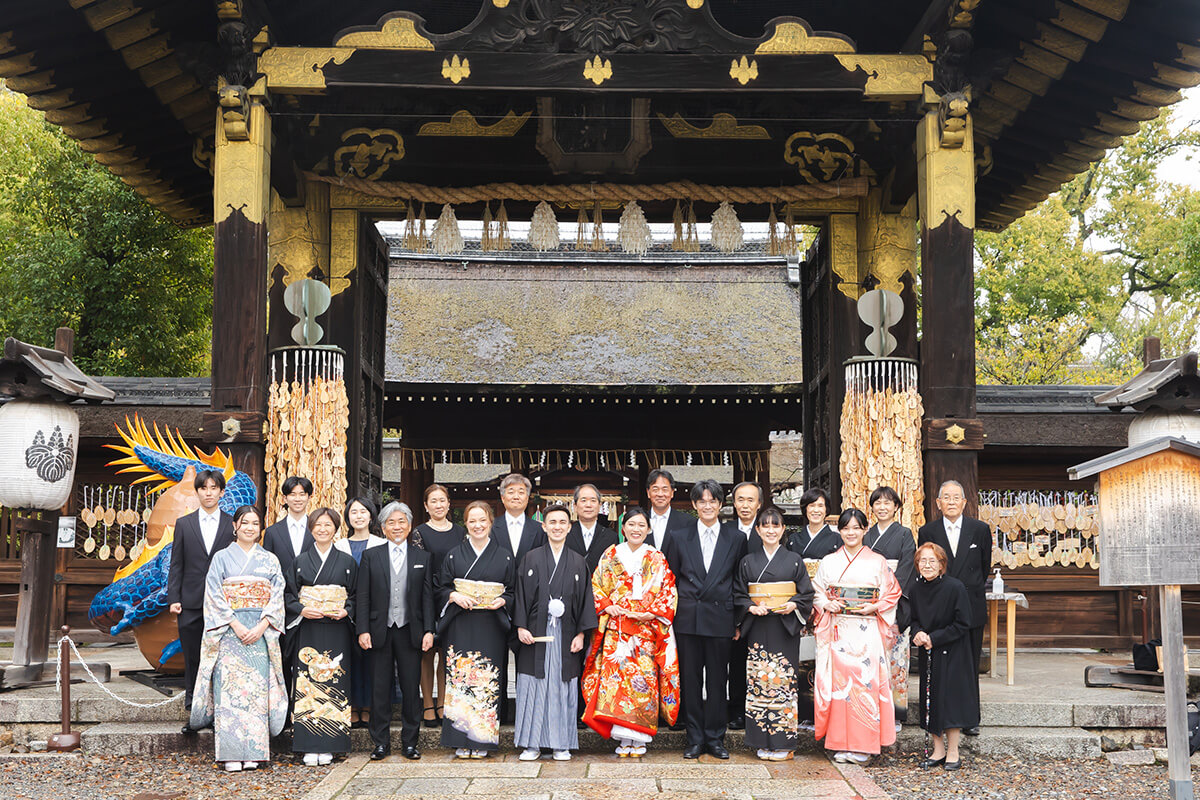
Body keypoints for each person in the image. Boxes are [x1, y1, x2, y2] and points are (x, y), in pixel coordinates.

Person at [189, 506, 287, 771]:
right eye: (245, 523)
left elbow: (277, 595)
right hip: (229, 633)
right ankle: (230, 753)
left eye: (255, 523)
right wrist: (234, 623)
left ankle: (255, 751)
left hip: (259, 632)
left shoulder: (270, 560)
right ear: (235, 526)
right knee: (229, 692)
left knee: (256, 692)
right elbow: (213, 594)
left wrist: (263, 625)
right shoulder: (221, 558)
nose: (250, 528)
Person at [581, 506, 679, 757]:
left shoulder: (656, 557)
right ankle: (624, 738)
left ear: (649, 529)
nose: (636, 529)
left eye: (641, 525)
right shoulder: (611, 554)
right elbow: (596, 586)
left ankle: (641, 738)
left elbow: (668, 591)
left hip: (646, 630)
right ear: (623, 528)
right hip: (617, 630)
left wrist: (651, 613)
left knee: (643, 682)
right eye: (631, 525)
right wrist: (608, 606)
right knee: (616, 683)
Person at [663, 478, 748, 760]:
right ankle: (694, 738)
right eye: (702, 501)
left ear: (721, 505)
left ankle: (715, 738)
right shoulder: (679, 536)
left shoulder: (736, 538)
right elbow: (671, 578)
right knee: (689, 679)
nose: (707, 506)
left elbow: (739, 581)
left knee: (717, 680)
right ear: (694, 504)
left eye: (713, 501)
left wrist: (737, 621)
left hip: (720, 617)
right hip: (688, 618)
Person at [811, 508, 903, 764]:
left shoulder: (878, 561)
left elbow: (892, 592)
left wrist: (875, 607)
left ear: (865, 530)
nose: (850, 533)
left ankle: (864, 745)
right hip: (838, 629)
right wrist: (826, 603)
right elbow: (816, 591)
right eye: (846, 528)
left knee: (865, 684)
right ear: (839, 531)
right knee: (840, 687)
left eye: (856, 528)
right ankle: (841, 742)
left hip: (867, 630)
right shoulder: (829, 561)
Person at [513, 505, 598, 761]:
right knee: (533, 686)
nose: (557, 527)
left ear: (569, 527)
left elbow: (586, 600)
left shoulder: (578, 562)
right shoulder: (530, 558)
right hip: (535, 634)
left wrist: (581, 635)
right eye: (552, 522)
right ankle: (531, 744)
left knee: (563, 687)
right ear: (544, 526)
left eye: (562, 522)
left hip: (566, 634)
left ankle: (562, 744)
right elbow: (519, 595)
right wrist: (521, 626)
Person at [733, 507, 814, 761]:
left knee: (783, 683)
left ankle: (783, 743)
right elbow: (739, 593)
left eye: (775, 525)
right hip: (758, 627)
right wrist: (750, 607)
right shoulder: (747, 561)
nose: (770, 530)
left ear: (782, 530)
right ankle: (761, 740)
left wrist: (794, 604)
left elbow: (806, 593)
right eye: (765, 526)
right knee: (759, 681)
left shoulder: (794, 560)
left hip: (784, 627)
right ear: (757, 530)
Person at [357, 501, 435, 761]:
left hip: (410, 629)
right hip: (379, 629)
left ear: (409, 526)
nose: (397, 526)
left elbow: (427, 598)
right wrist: (363, 629)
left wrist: (429, 630)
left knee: (411, 689)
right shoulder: (371, 556)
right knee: (380, 688)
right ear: (383, 527)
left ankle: (410, 743)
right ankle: (380, 743)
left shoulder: (422, 558)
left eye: (402, 521)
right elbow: (363, 596)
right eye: (391, 522)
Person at [438, 500, 516, 758]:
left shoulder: (504, 555)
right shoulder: (453, 554)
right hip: (460, 623)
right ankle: (460, 738)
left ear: (491, 522)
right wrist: (453, 596)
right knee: (460, 680)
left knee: (486, 681)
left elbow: (513, 590)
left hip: (491, 625)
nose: (477, 525)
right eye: (472, 521)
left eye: (482, 520)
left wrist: (503, 601)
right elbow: (441, 587)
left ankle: (482, 740)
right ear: (466, 524)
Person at [917, 480, 991, 736]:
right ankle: (941, 716)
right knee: (942, 666)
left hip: (971, 605)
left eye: (956, 497)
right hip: (940, 608)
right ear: (938, 503)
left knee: (969, 664)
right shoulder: (928, 531)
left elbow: (984, 566)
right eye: (946, 497)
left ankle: (970, 718)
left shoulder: (980, 529)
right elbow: (926, 567)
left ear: (964, 502)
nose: (951, 502)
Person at [285, 507, 357, 766]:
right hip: (309, 628)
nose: (323, 529)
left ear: (336, 529)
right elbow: (288, 594)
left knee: (336, 680)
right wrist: (301, 609)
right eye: (318, 525)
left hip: (337, 628)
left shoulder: (347, 562)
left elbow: (357, 594)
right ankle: (308, 744)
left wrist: (347, 610)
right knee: (307, 681)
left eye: (328, 525)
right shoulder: (300, 561)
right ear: (311, 528)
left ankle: (331, 744)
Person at [167, 468, 236, 729]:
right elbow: (177, 564)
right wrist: (174, 597)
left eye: (213, 488)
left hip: (223, 601)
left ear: (221, 492)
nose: (208, 493)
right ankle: (193, 709)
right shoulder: (185, 524)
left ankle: (221, 709)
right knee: (193, 656)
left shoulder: (232, 523)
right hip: (190, 600)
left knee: (222, 656)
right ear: (197, 492)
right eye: (203, 488)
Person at [911, 542, 979, 771]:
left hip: (952, 651)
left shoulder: (955, 587)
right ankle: (938, 750)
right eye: (922, 561)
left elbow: (963, 623)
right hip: (928, 652)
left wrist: (935, 638)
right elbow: (913, 619)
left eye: (932, 561)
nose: (927, 565)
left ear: (942, 565)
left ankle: (953, 752)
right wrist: (918, 633)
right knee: (930, 700)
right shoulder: (916, 589)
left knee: (950, 702)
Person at [262, 475, 315, 723]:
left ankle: (306, 716)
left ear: (309, 497)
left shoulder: (318, 528)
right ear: (284, 498)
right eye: (292, 494)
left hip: (310, 606)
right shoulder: (273, 532)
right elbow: (267, 571)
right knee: (282, 660)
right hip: (281, 606)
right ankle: (281, 716)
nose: (297, 498)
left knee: (308, 660)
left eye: (302, 494)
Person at [863, 486, 917, 727]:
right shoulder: (866, 536)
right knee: (869, 660)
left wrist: (886, 598)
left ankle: (895, 714)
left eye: (887, 503)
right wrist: (870, 598)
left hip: (894, 606)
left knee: (896, 662)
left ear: (896, 507)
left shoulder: (905, 534)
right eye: (878, 503)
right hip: (868, 606)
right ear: (872, 507)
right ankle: (871, 710)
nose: (882, 507)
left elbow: (906, 568)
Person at [414, 484, 466, 729]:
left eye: (442, 500)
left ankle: (444, 703)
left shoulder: (460, 532)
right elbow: (418, 566)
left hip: (453, 597)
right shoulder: (419, 532)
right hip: (426, 596)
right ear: (426, 506)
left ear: (448, 504)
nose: (438, 505)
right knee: (427, 652)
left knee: (448, 653)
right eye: (433, 501)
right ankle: (427, 704)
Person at [337, 497, 386, 728]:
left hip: (374, 609)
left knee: (372, 659)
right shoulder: (339, 546)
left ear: (371, 515)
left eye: (363, 511)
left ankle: (368, 706)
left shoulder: (381, 544)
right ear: (347, 517)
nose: (358, 516)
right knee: (350, 659)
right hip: (345, 610)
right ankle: (353, 705)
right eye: (353, 512)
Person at [728, 481, 764, 731]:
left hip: (763, 609)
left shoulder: (767, 530)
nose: (745, 505)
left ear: (759, 504)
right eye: (740, 499)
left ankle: (760, 709)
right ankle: (736, 712)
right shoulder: (725, 531)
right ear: (733, 503)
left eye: (750, 500)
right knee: (736, 663)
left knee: (762, 663)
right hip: (735, 608)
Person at [566, 483, 619, 576]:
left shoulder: (611, 537)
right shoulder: (565, 534)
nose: (588, 505)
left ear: (599, 506)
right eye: (583, 500)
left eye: (593, 500)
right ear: (575, 506)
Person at [786, 488, 840, 561]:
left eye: (820, 506)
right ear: (805, 509)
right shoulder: (794, 539)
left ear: (826, 509)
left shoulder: (837, 539)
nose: (816, 510)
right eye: (812, 505)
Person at [645, 468, 689, 550]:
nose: (660, 494)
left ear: (672, 492)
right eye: (655, 489)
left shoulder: (687, 522)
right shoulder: (639, 521)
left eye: (665, 489)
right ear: (648, 493)